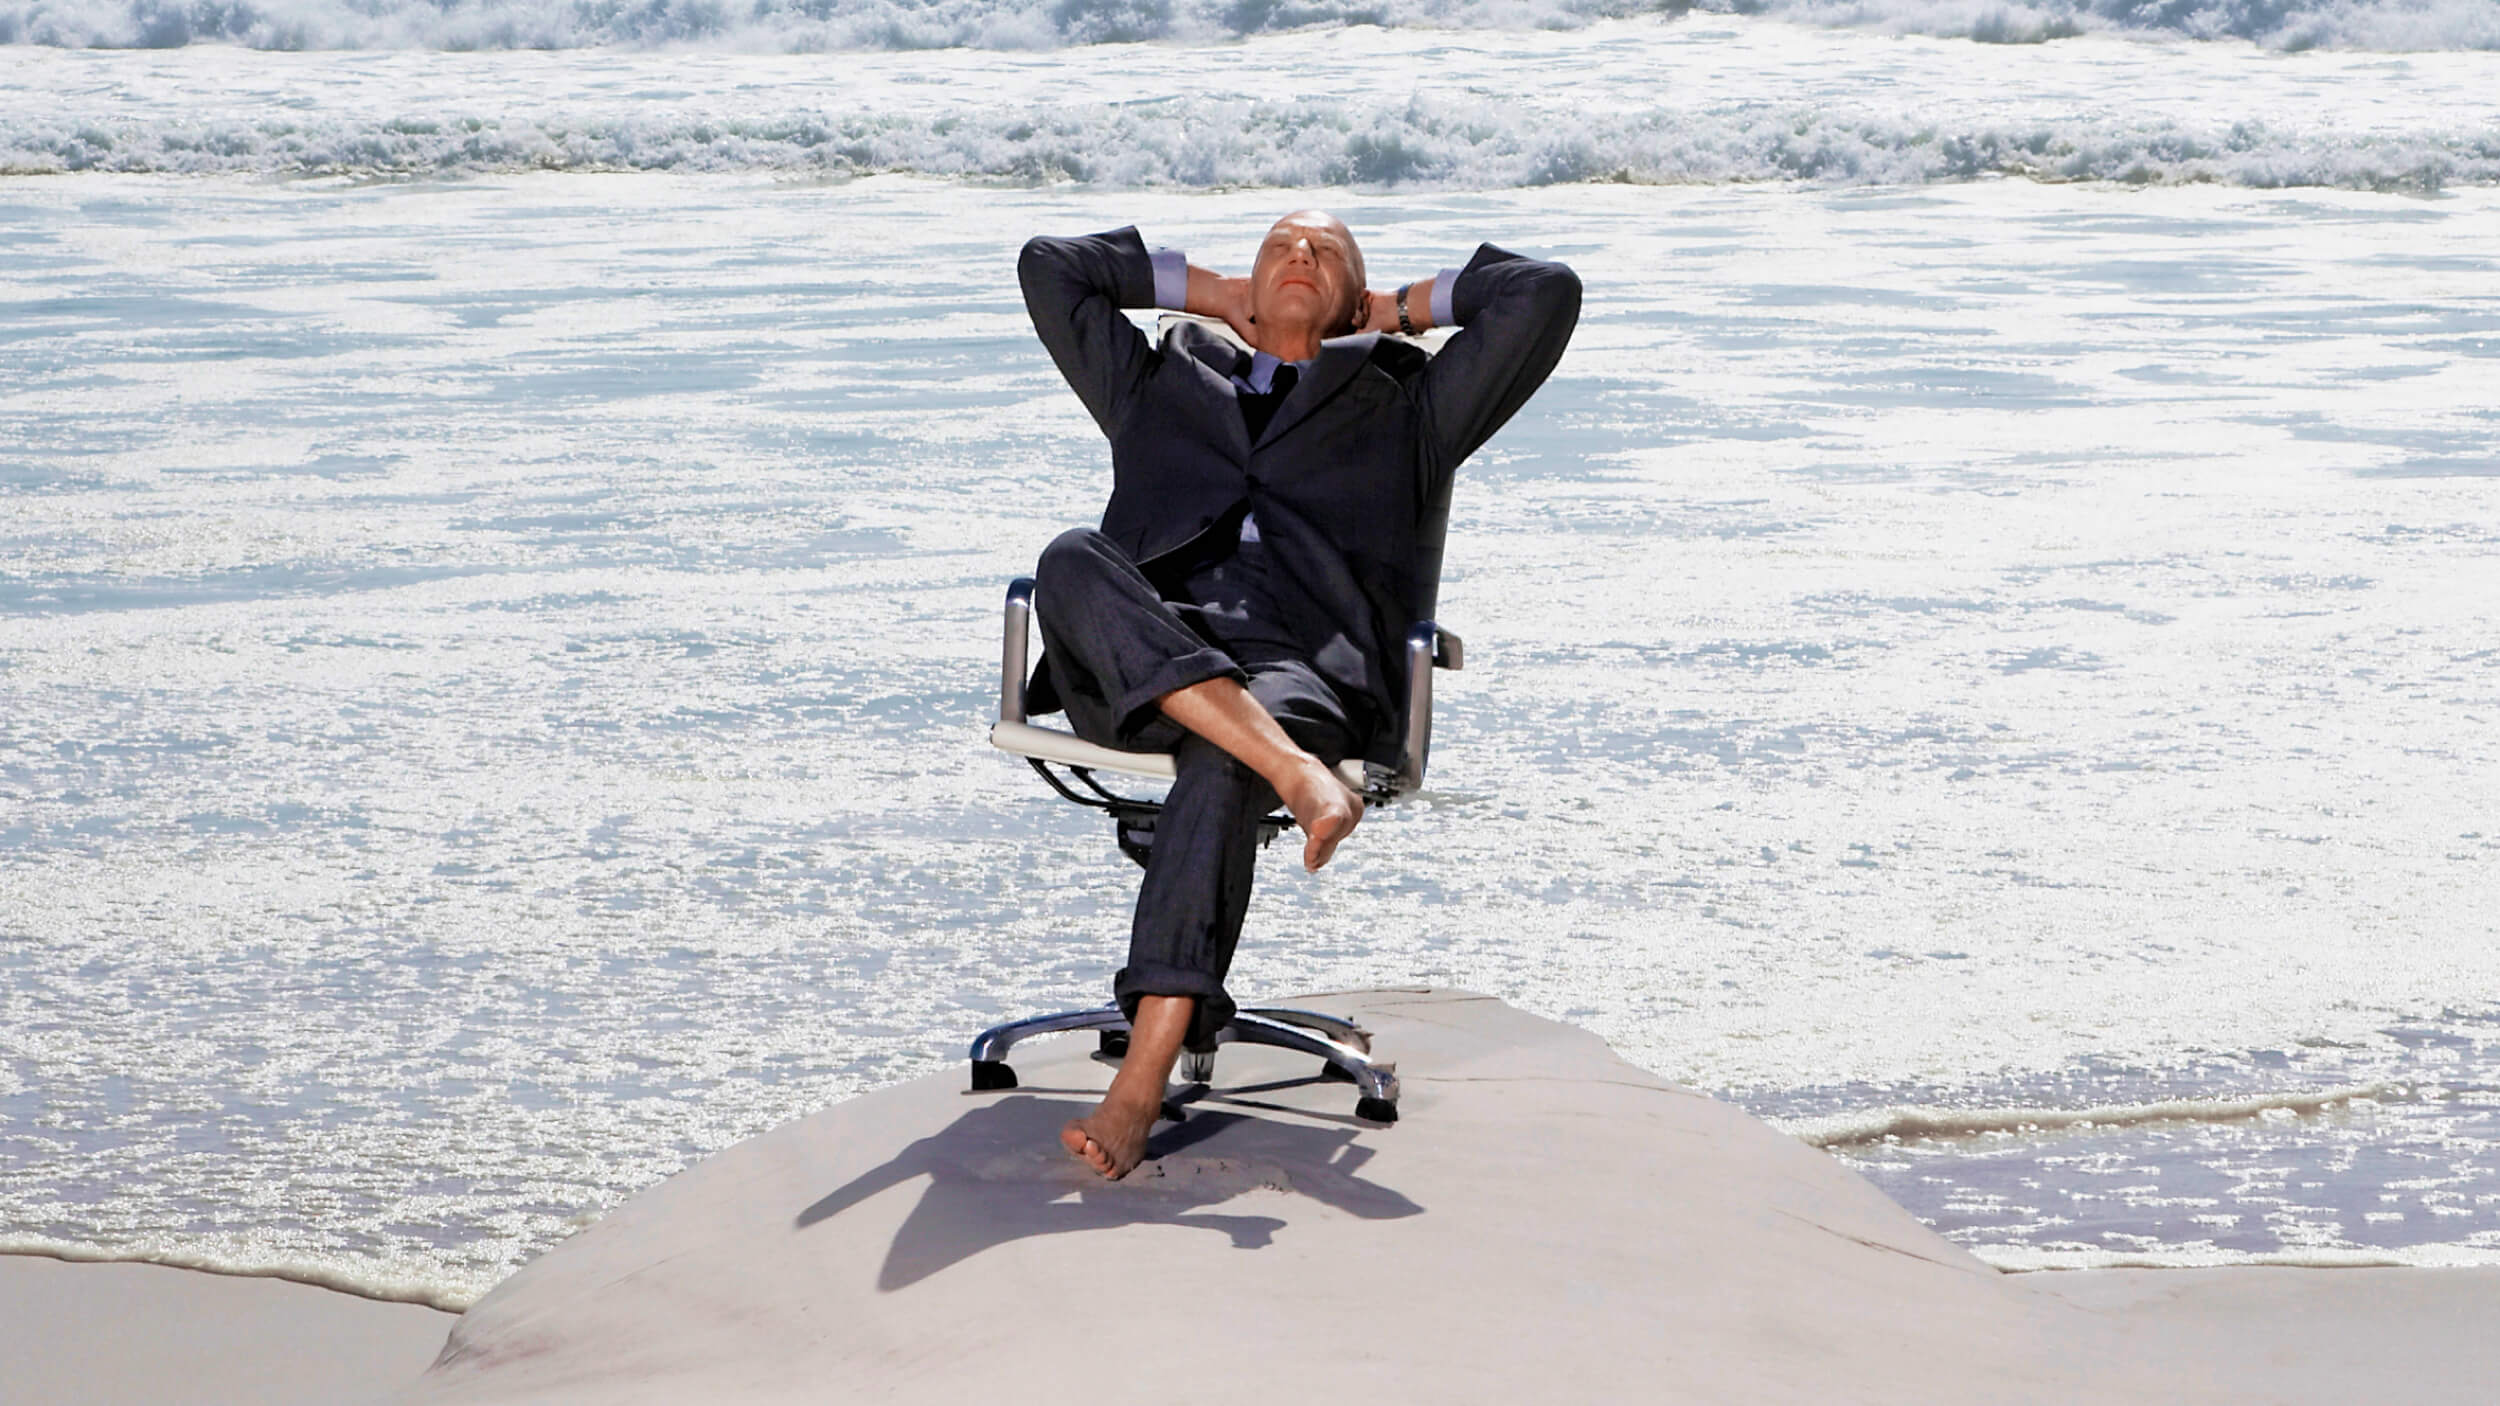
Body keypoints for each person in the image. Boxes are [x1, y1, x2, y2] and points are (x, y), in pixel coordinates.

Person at [1018, 211, 1579, 1178]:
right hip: (1143, 641)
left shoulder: (1412, 408)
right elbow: (1051, 268)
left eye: (1326, 252)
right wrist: (1208, 292)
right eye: (1280, 245)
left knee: (1224, 756)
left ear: (1355, 296)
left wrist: (1404, 310)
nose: (1301, 255)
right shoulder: (1159, 378)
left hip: (1302, 667)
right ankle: (1293, 772)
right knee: (1071, 558)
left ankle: (1142, 1076)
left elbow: (1545, 293)